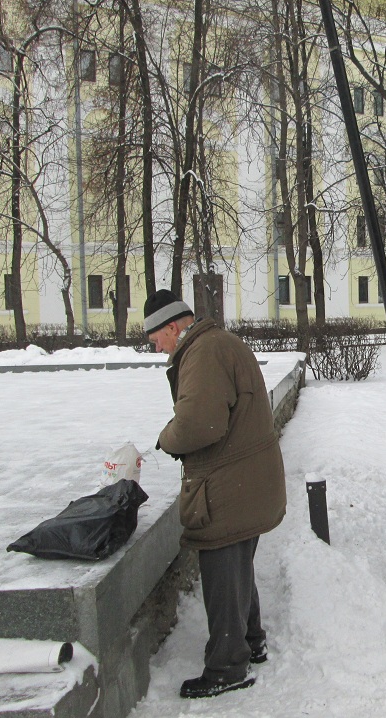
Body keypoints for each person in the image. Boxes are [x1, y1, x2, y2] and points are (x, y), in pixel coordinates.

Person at [144, 289, 287, 699]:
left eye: (156, 339)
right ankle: (251, 639)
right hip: (248, 480)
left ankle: (228, 666)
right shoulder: (217, 342)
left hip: (230, 485)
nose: (157, 349)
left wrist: (165, 440)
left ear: (172, 327)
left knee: (223, 567)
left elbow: (199, 424)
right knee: (237, 565)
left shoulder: (203, 352)